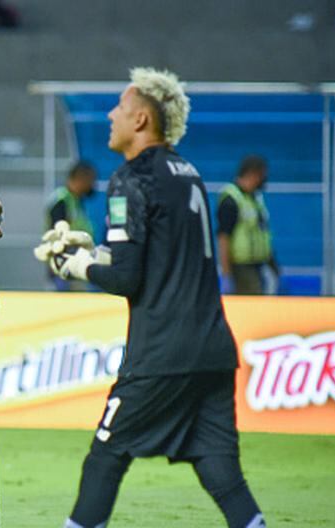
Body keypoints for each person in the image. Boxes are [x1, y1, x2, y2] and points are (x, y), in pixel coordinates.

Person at [38, 67, 266, 528]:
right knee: (220, 469)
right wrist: (97, 250)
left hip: (162, 351)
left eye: (119, 108)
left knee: (106, 457)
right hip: (214, 349)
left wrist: (75, 265)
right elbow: (156, 256)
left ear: (141, 120)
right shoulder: (188, 173)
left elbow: (126, 278)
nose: (110, 115)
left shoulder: (132, 178)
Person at [217, 155, 279, 295]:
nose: (263, 180)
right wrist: (226, 274)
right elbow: (223, 238)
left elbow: (262, 234)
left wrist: (272, 264)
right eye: (261, 175)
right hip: (241, 268)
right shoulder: (231, 200)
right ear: (252, 174)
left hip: (257, 264)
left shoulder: (254, 199)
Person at [46, 161, 97, 291]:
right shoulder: (62, 201)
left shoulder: (75, 200)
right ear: (80, 178)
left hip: (76, 264)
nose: (93, 185)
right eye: (90, 180)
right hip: (67, 267)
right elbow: (58, 236)